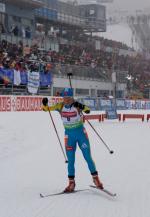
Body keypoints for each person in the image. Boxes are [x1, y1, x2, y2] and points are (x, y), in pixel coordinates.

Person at [42, 87, 103, 192]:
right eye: (64, 97)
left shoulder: (76, 105)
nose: (66, 99)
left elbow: (88, 110)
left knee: (87, 157)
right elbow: (46, 109)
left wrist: (81, 107)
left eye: (68, 97)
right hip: (69, 136)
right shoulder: (60, 106)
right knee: (71, 160)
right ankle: (71, 183)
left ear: (72, 97)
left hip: (81, 135)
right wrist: (44, 104)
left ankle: (96, 179)